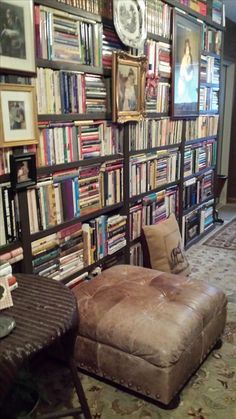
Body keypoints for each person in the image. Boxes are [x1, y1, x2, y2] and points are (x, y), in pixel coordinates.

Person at [177, 39, 194, 103]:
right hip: (182, 76)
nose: (187, 51)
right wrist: (182, 75)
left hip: (188, 76)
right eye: (186, 49)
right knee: (180, 90)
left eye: (188, 49)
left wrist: (186, 77)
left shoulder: (190, 57)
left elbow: (190, 68)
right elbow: (182, 67)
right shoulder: (184, 57)